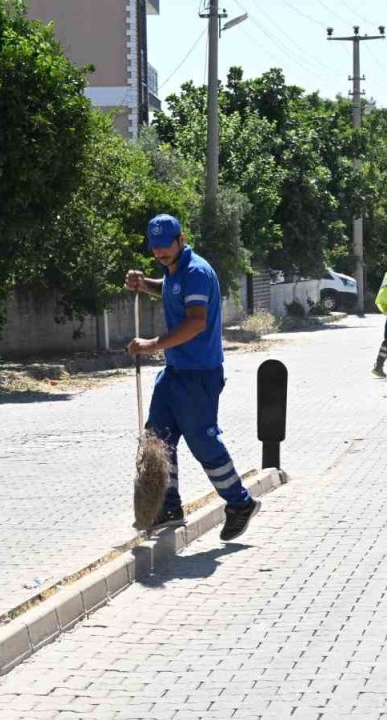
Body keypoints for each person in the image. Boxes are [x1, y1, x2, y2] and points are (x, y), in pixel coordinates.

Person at [125, 214, 260, 541]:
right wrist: (145, 284)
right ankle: (168, 507)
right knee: (158, 438)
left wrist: (153, 345)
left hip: (199, 374)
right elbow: (171, 288)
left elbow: (196, 322)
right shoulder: (172, 270)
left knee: (202, 441)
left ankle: (240, 502)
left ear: (180, 239)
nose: (160, 254)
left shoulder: (197, 271)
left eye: (166, 247)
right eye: (155, 249)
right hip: (174, 374)